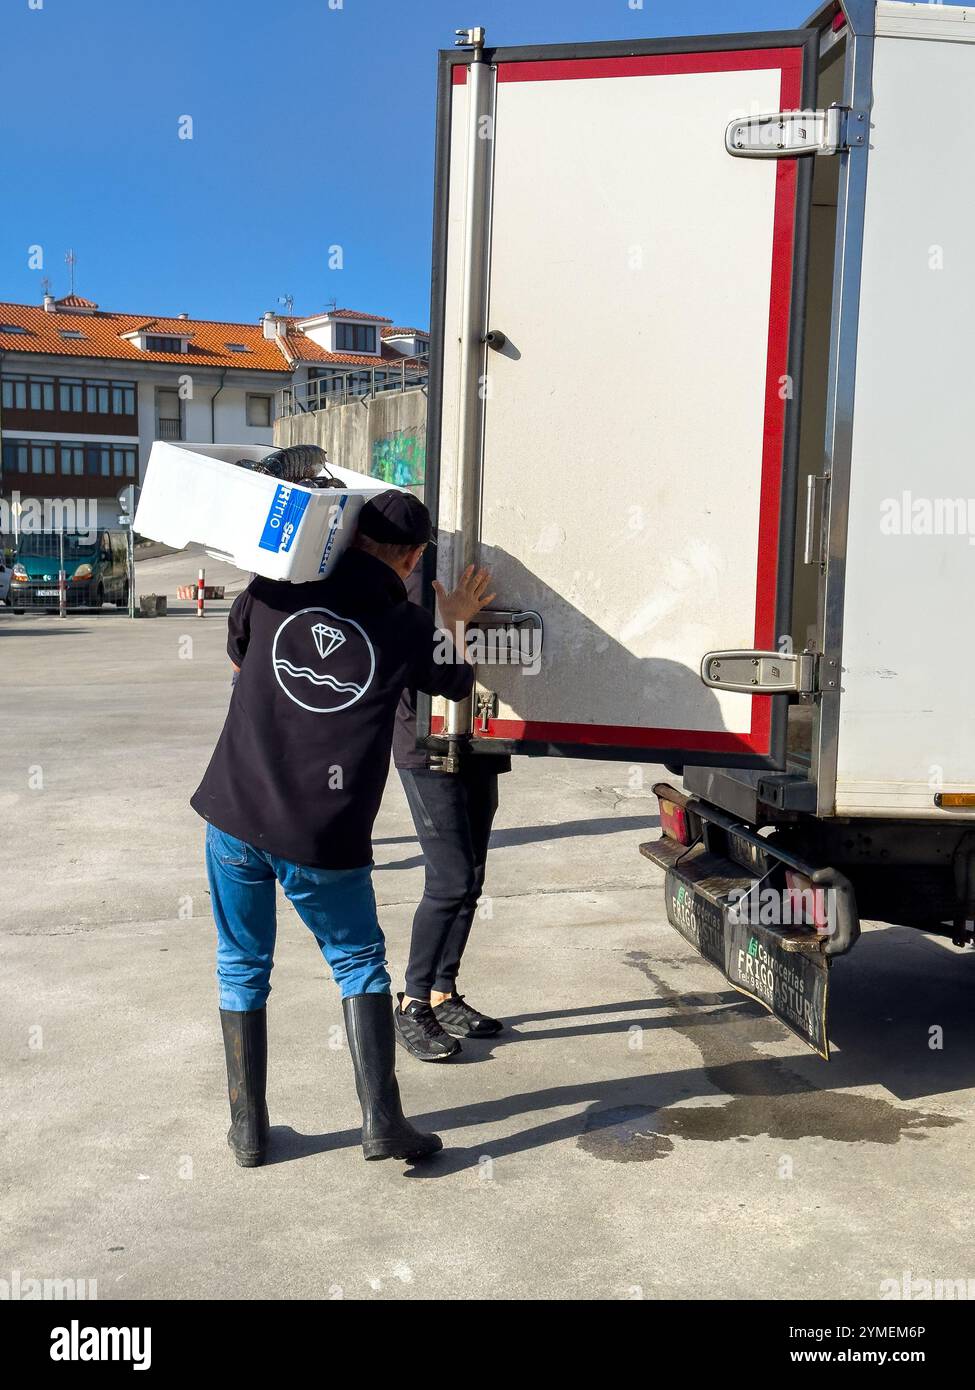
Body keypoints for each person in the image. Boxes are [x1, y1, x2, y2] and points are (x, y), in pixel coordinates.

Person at [191, 490, 494, 1167]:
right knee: (356, 963)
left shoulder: (271, 590)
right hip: (323, 835)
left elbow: (239, 659)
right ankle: (382, 1125)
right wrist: (455, 619)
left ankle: (247, 1132)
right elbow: (454, 681)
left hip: (235, 814)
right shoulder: (410, 626)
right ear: (413, 558)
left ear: (349, 538)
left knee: (241, 965)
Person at [392, 561, 511, 1061]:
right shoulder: (407, 580)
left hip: (481, 735)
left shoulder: (475, 556)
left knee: (473, 874)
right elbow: (443, 676)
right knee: (450, 879)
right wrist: (456, 622)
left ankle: (443, 991)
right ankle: (413, 1001)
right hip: (426, 741)